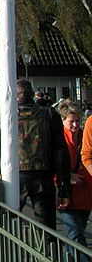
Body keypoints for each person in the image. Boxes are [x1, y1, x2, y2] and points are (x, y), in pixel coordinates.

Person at [0, 79, 70, 230]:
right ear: (33, 94)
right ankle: (46, 251)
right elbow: (60, 152)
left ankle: (10, 250)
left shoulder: (3, 118)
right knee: (46, 227)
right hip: (43, 176)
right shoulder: (49, 115)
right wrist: (63, 186)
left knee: (7, 225)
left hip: (14, 177)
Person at [59, 102, 92, 261]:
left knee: (75, 234)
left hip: (84, 193)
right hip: (65, 194)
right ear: (63, 120)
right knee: (76, 232)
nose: (75, 125)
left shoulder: (84, 135)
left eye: (77, 121)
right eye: (71, 121)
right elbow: (52, 165)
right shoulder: (59, 139)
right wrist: (68, 177)